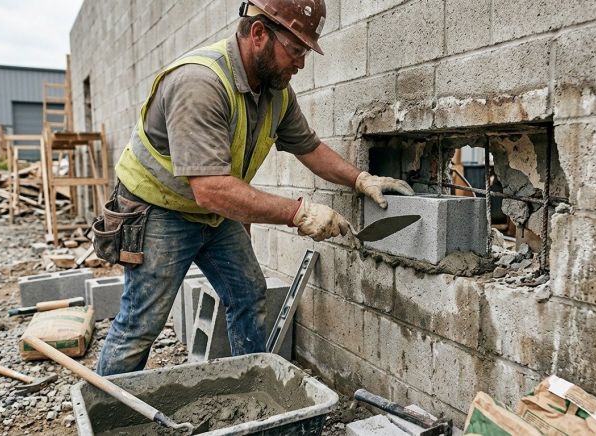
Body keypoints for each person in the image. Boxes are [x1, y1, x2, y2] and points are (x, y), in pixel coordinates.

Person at [95, 0, 413, 376]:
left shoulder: (275, 91)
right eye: (295, 50)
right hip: (159, 211)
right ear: (259, 34)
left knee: (248, 294)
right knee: (140, 326)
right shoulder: (200, 83)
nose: (301, 63)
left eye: (305, 52)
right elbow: (211, 190)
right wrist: (301, 212)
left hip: (212, 211)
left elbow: (308, 146)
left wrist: (360, 179)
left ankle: (249, 386)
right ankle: (107, 414)